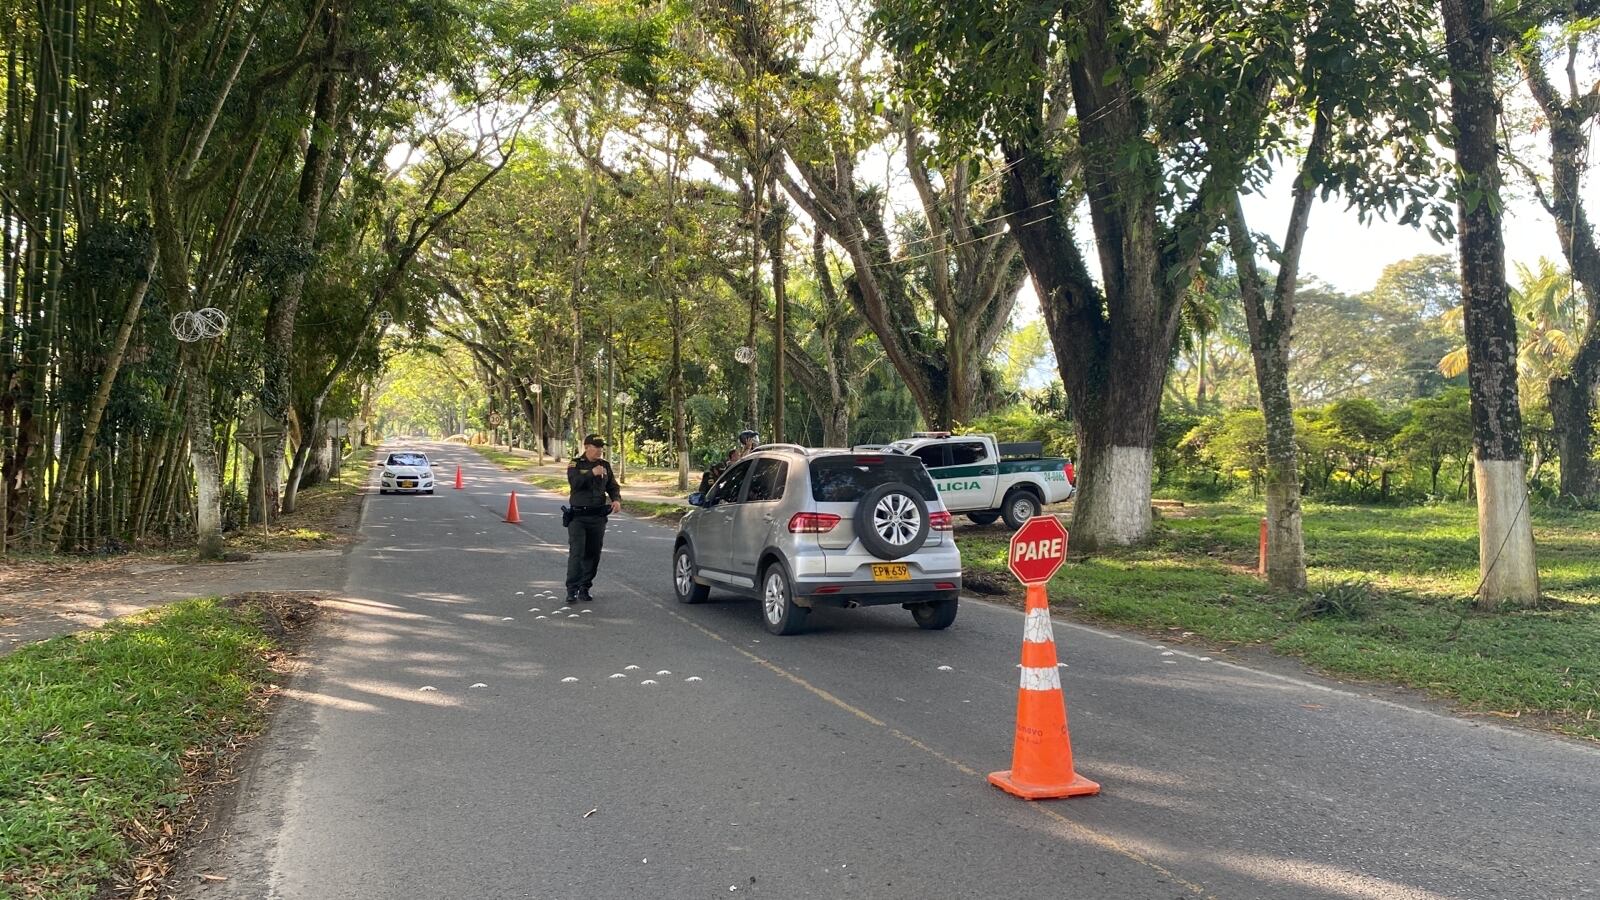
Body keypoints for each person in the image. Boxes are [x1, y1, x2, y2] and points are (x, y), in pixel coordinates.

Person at [565, 434, 621, 603]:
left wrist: (616, 499)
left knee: (593, 554)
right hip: (578, 517)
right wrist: (591, 473)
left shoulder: (605, 465)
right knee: (577, 553)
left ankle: (585, 587)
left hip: (597, 517)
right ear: (586, 447)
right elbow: (574, 483)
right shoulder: (575, 464)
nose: (599, 450)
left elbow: (612, 486)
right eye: (596, 447)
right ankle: (571, 589)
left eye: (601, 447)